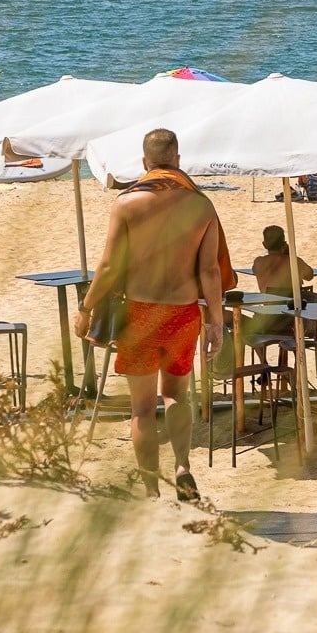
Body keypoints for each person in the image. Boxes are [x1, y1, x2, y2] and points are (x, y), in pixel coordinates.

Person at [74, 129, 232, 503]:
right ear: (178, 161)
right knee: (177, 395)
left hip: (141, 313)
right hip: (182, 315)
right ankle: (181, 467)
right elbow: (209, 271)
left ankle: (149, 491)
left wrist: (86, 308)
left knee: (142, 409)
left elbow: (110, 265)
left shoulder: (127, 204)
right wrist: (216, 323)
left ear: (144, 164)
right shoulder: (201, 205)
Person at [253, 224, 316, 295]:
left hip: (269, 304)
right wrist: (289, 254)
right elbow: (310, 276)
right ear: (284, 244)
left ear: (264, 245)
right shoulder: (295, 262)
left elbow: (254, 271)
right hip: (293, 305)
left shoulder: (258, 263)